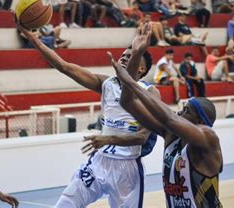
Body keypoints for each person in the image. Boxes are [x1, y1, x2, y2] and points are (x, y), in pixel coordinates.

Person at [18, 24, 158, 208]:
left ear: (140, 68)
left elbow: (141, 137)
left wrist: (107, 138)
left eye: (130, 56)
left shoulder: (150, 93)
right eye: (122, 55)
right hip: (99, 162)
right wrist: (34, 39)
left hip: (127, 168)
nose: (123, 57)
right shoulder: (106, 84)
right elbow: (64, 67)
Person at [108, 26, 223, 208]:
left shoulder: (208, 138)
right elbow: (127, 103)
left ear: (201, 122)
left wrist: (129, 81)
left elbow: (170, 118)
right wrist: (137, 54)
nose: (179, 112)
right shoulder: (171, 135)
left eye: (187, 111)